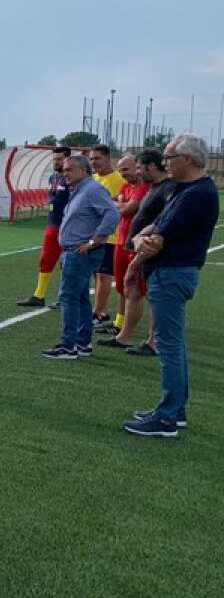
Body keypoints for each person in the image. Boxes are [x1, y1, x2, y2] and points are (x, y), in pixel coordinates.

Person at [122, 135, 219, 437]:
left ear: (188, 159)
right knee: (170, 342)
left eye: (169, 157)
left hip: (172, 272)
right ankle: (173, 410)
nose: (165, 163)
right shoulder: (184, 189)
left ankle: (166, 418)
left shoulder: (197, 193)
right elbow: (153, 228)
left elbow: (155, 240)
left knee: (169, 343)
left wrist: (137, 253)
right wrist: (141, 240)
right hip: (171, 272)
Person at [39, 154, 119, 361]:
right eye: (64, 170)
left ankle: (68, 345)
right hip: (72, 251)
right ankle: (82, 343)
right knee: (81, 297)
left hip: (80, 252)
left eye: (69, 170)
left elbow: (112, 214)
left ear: (83, 170)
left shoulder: (92, 190)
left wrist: (93, 242)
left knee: (68, 297)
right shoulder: (79, 190)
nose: (65, 173)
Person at [117, 151, 176, 357]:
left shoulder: (168, 188)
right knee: (132, 291)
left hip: (148, 251)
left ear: (151, 166)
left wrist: (142, 251)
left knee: (152, 295)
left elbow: (163, 223)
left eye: (140, 167)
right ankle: (124, 336)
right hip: (137, 248)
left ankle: (153, 341)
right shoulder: (155, 187)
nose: (138, 172)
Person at [96, 154, 148, 348]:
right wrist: (120, 204)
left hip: (135, 243)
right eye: (121, 170)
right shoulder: (126, 187)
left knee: (134, 288)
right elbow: (118, 205)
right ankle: (119, 324)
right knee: (121, 286)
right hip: (121, 241)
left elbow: (127, 210)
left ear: (137, 167)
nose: (123, 174)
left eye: (126, 169)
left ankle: (130, 332)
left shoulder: (144, 188)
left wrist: (120, 204)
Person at [18, 146, 70, 306]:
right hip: (52, 224)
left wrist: (52, 203)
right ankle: (39, 295)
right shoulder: (52, 178)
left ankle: (65, 298)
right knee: (46, 258)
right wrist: (52, 203)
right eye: (54, 159)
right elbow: (52, 199)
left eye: (60, 159)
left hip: (68, 225)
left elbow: (58, 200)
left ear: (68, 159)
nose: (56, 162)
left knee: (67, 263)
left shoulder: (72, 179)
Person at [89, 144, 125, 328]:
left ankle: (98, 313)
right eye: (92, 159)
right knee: (97, 275)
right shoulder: (93, 179)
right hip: (94, 235)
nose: (94, 162)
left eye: (97, 158)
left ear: (108, 158)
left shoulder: (118, 179)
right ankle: (100, 310)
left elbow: (122, 205)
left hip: (112, 236)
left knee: (104, 275)